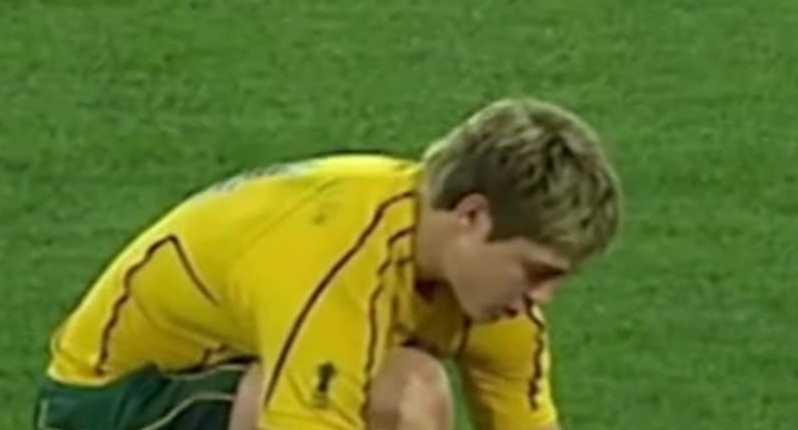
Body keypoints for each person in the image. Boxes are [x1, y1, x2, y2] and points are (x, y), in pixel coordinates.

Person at [34, 97, 624, 430]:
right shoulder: (341, 258)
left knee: (405, 389)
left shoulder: (497, 298)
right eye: (537, 271)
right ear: (471, 217)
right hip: (111, 406)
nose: (541, 299)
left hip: (239, 372)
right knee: (403, 392)